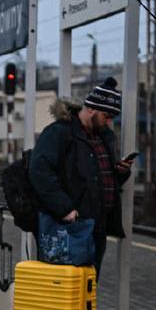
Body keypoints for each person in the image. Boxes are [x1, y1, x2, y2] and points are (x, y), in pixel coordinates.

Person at [29, 78, 135, 273]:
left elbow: (100, 176)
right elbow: (39, 171)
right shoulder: (59, 133)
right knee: (64, 285)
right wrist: (64, 209)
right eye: (107, 115)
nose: (109, 121)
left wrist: (119, 172)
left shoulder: (104, 136)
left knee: (89, 286)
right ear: (91, 109)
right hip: (69, 226)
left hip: (97, 224)